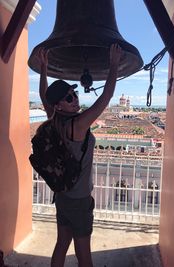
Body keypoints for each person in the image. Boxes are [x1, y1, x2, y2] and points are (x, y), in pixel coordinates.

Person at [38, 43, 122, 267]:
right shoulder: (77, 125)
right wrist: (113, 65)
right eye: (68, 98)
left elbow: (44, 96)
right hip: (79, 199)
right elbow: (104, 99)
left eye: (73, 93)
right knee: (84, 254)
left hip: (63, 196)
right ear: (59, 105)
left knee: (61, 244)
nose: (74, 98)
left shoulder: (55, 119)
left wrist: (44, 69)